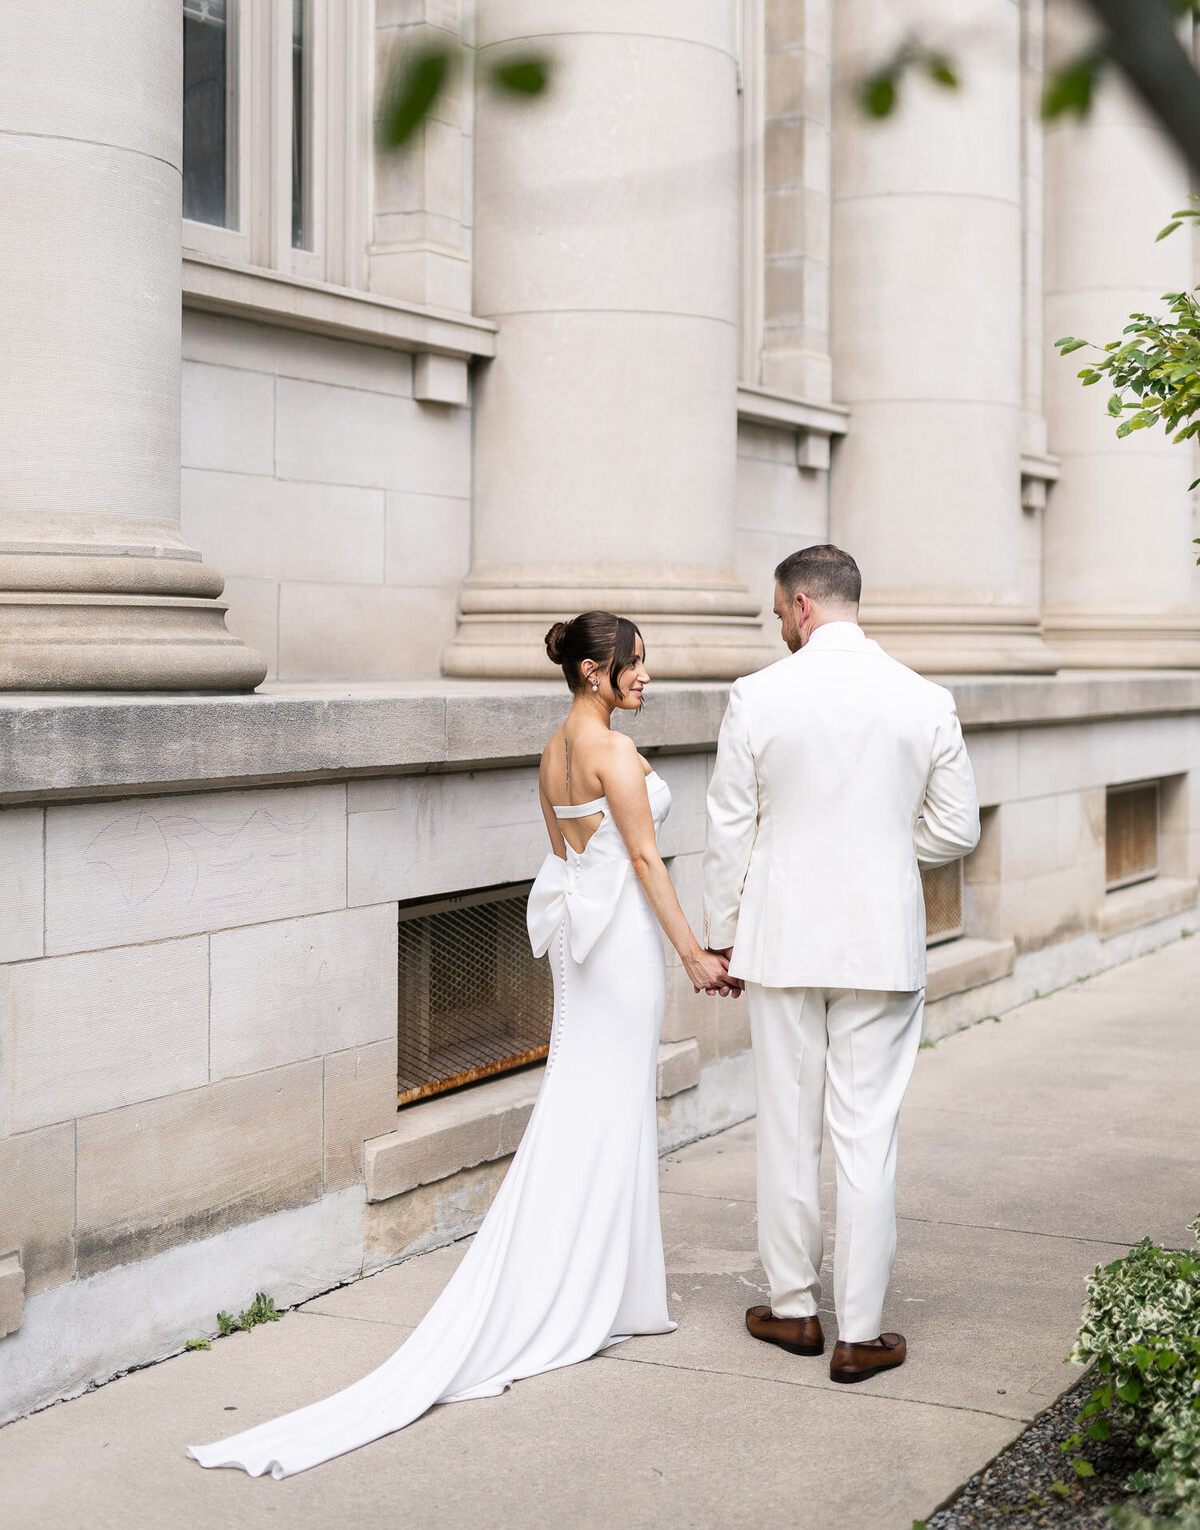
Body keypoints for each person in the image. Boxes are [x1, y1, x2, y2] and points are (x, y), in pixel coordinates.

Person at [186, 611, 730, 1478]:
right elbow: (644, 864)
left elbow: (562, 854)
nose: (647, 676)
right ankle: (586, 1289)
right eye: (636, 664)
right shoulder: (614, 756)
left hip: (578, 954)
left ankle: (605, 1285)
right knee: (608, 1106)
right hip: (619, 949)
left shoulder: (552, 752)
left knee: (585, 1103)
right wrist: (695, 954)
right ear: (596, 671)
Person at [702, 545, 979, 1385]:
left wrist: (722, 933)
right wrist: (892, 854)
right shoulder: (926, 699)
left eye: (777, 610)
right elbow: (957, 829)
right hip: (882, 944)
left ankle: (792, 1313)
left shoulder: (758, 695)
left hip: (782, 940)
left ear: (799, 607)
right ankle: (860, 1333)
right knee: (867, 1137)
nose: (778, 624)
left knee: (788, 1125)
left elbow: (728, 829)